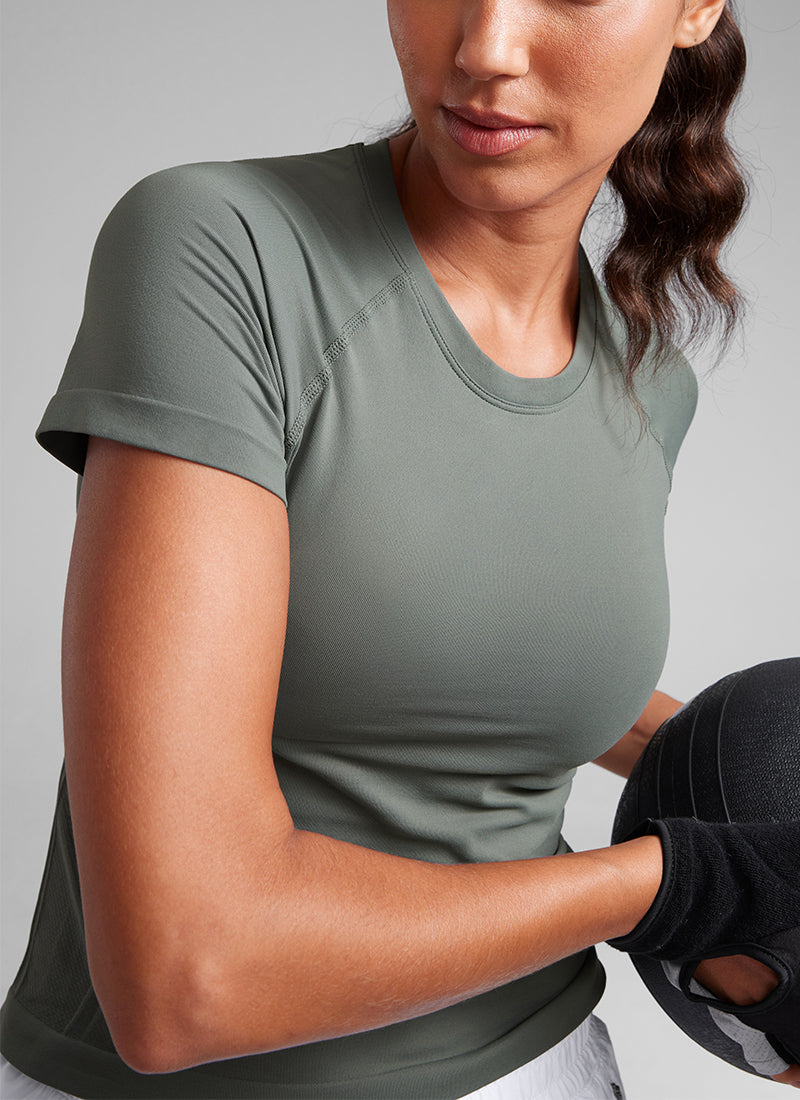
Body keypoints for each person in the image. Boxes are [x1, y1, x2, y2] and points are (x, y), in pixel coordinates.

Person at [1, 0, 798, 1097]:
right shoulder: (226, 250)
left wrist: (773, 825)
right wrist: (669, 885)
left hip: (551, 1064)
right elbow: (185, 981)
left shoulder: (646, 379)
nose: (485, 48)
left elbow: (471, 666)